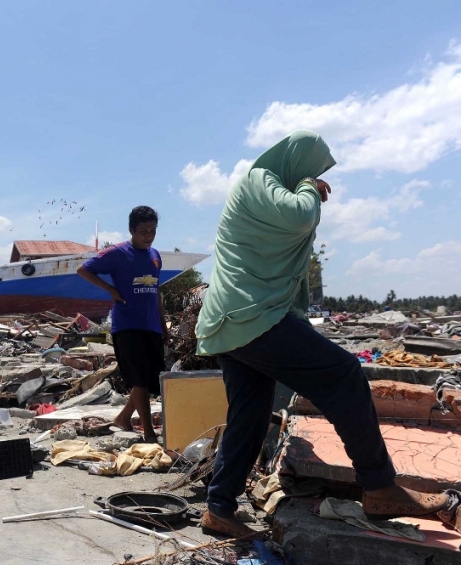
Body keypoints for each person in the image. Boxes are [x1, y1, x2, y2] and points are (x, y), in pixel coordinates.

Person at [195, 130, 448, 537]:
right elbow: (298, 215)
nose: (314, 178)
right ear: (295, 162)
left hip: (235, 322)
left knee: (249, 416)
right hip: (250, 316)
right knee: (344, 374)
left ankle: (219, 508)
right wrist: (309, 188)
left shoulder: (265, 191)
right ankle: (379, 485)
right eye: (312, 169)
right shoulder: (259, 178)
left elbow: (284, 255)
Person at [77, 205, 169, 443]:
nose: (148, 235)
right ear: (132, 230)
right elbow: (84, 270)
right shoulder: (118, 252)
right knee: (138, 379)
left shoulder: (155, 256)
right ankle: (149, 433)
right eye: (143, 231)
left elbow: (156, 292)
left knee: (148, 381)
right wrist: (111, 290)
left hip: (151, 326)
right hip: (127, 325)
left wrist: (164, 325)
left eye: (153, 230)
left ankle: (123, 418)